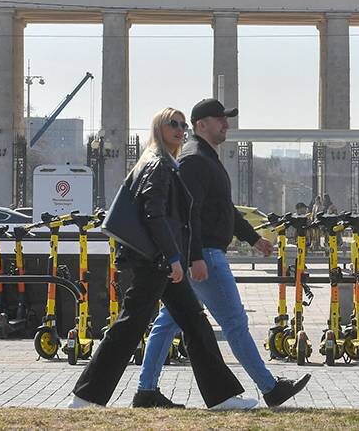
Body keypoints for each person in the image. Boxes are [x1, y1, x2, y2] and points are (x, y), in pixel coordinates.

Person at [69, 107, 253, 411]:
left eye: (183, 125)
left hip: (159, 261)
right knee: (130, 326)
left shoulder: (164, 163)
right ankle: (87, 397)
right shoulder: (159, 166)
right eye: (173, 124)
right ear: (158, 128)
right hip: (155, 262)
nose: (180, 129)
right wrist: (173, 257)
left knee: (195, 323)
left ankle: (222, 397)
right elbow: (154, 214)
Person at [135, 98, 311, 408]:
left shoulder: (204, 158)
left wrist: (253, 239)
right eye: (220, 119)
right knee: (234, 322)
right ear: (201, 125)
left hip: (204, 252)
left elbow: (223, 209)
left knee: (168, 322)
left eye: (226, 119)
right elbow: (188, 214)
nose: (226, 124)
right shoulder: (194, 160)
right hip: (205, 255)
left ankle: (146, 391)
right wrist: (194, 257)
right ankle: (270, 388)